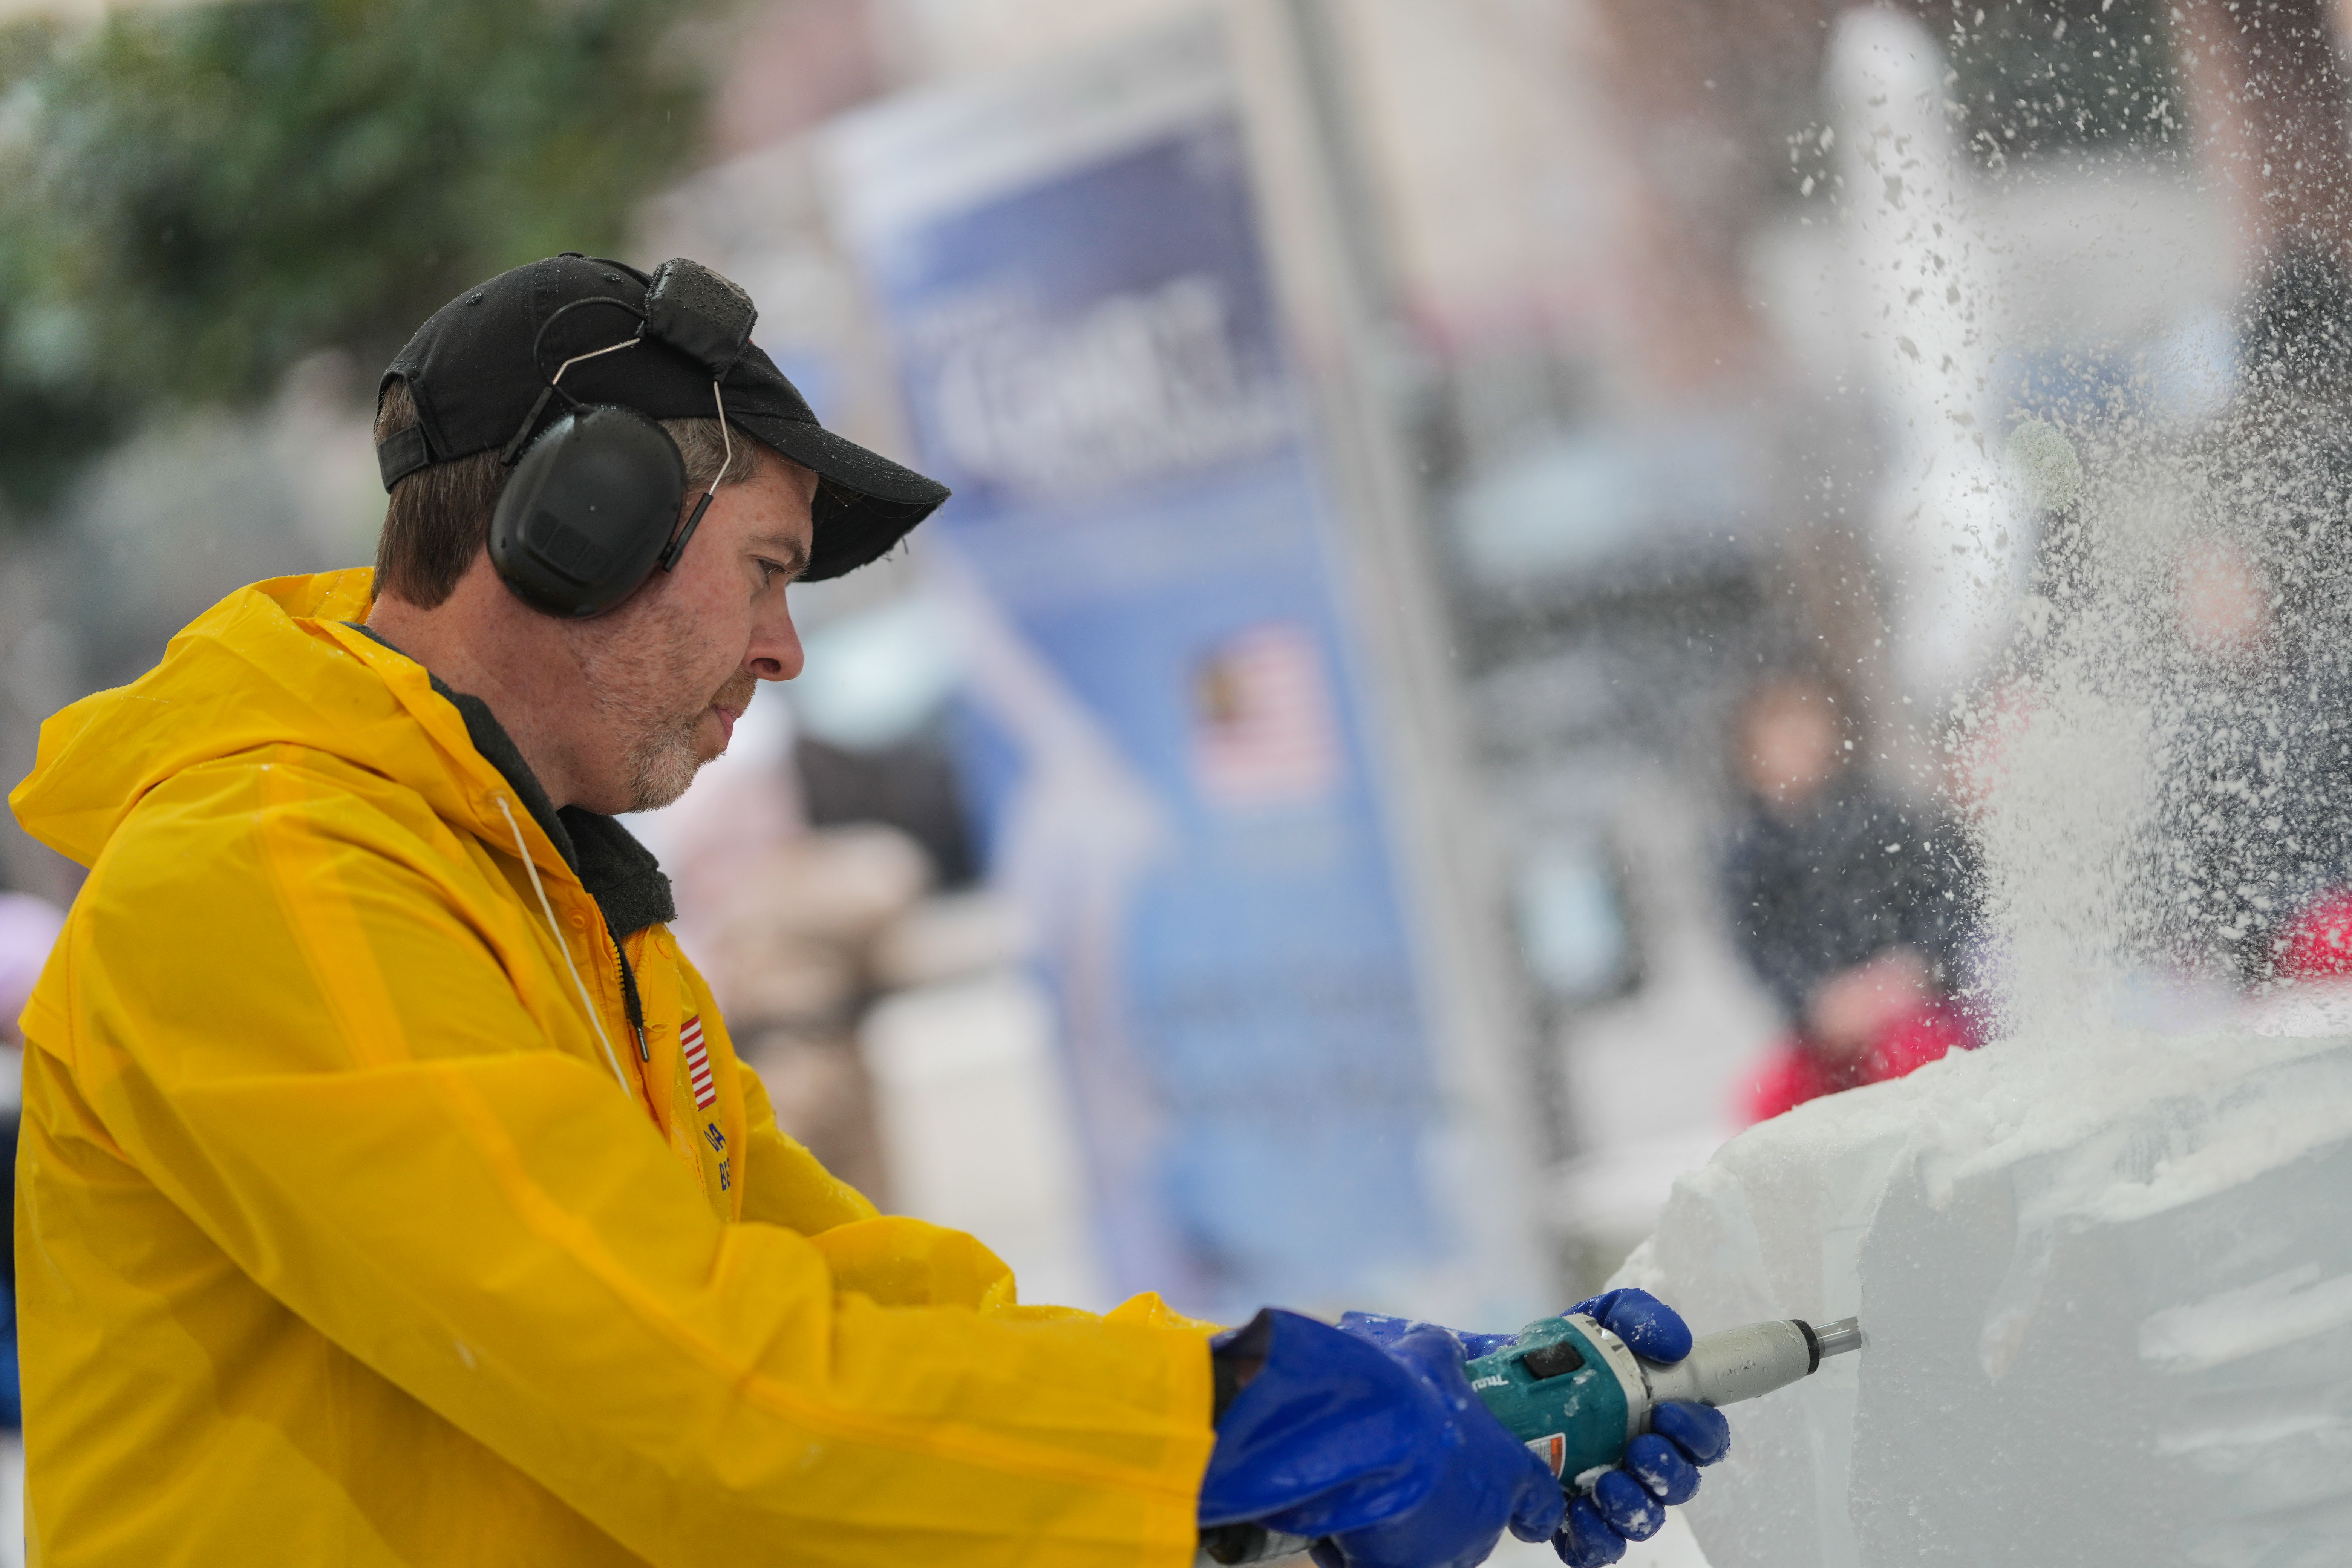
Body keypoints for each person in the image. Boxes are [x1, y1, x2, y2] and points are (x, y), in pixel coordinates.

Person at [6, 254, 1719, 1567]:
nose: (786, 647)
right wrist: (1217, 1432)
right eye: (762, 566)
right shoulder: (267, 880)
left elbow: (853, 1302)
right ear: (574, 526)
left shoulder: (545, 894)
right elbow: (693, 1391)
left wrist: (1316, 1402)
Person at [1721, 671, 1980, 1123]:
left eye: (1806, 723)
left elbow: (1945, 906)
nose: (1795, 742)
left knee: (1924, 1070)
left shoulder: (1890, 818)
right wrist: (1818, 1002)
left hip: (1911, 1010)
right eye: (1777, 730)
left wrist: (1909, 971)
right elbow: (1762, 952)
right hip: (1824, 1034)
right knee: (1773, 1102)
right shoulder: (1750, 855)